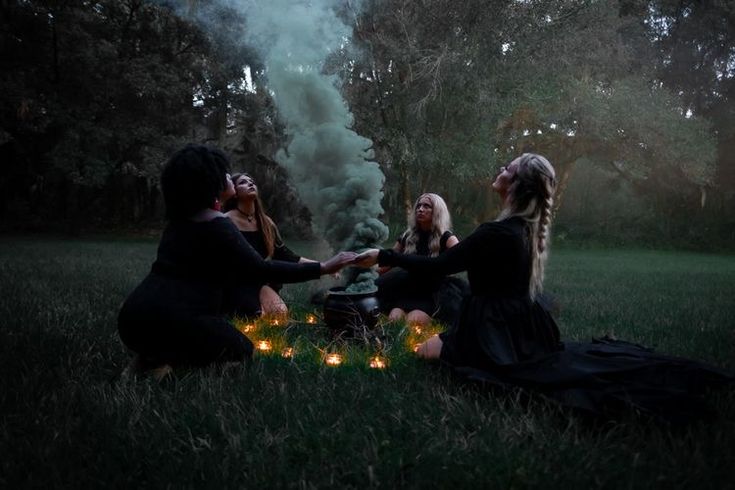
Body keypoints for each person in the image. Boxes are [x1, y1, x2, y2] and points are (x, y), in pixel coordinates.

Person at [354, 153, 732, 422]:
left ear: (515, 185)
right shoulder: (525, 228)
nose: (501, 170)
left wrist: (383, 255)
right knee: (431, 349)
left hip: (491, 327)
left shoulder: (496, 232)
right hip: (525, 323)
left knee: (425, 353)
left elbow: (440, 265)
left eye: (509, 168)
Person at [118, 144, 354, 374]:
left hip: (133, 318)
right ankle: (170, 360)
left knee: (186, 338)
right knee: (243, 352)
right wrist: (323, 267)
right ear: (208, 182)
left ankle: (153, 358)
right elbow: (261, 270)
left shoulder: (178, 223)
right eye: (224, 173)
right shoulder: (217, 222)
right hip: (176, 318)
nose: (230, 176)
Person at [223, 173, 318, 319]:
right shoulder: (226, 220)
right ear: (234, 193)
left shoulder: (266, 222)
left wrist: (321, 266)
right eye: (243, 182)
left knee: (280, 315)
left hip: (260, 280)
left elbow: (286, 255)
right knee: (255, 317)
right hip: (235, 282)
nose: (250, 184)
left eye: (252, 181)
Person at [375, 193, 459, 327]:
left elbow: (462, 258)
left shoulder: (447, 237)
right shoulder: (408, 236)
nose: (420, 209)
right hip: (408, 288)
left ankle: (435, 322)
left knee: (413, 321)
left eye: (427, 206)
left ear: (437, 211)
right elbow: (386, 264)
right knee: (394, 318)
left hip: (433, 293)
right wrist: (363, 270)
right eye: (419, 206)